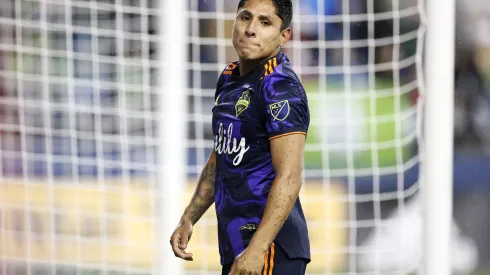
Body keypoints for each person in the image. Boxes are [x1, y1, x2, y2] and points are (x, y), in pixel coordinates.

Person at [170, 0, 311, 274]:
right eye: (245, 18)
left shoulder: (280, 88)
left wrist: (257, 250)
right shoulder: (229, 78)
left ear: (284, 36)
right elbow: (219, 158)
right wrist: (188, 218)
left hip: (269, 250)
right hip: (238, 246)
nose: (251, 29)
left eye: (265, 22)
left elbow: (290, 176)